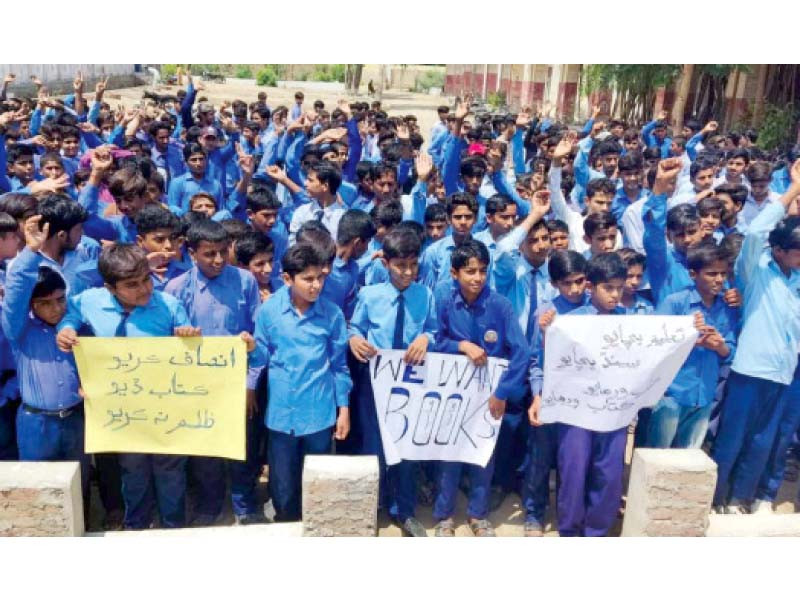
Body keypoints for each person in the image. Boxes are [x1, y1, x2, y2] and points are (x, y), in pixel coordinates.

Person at [55, 244, 201, 530]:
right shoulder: (87, 301)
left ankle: (173, 526)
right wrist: (67, 328)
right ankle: (136, 525)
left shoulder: (169, 306)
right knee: (132, 471)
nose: (144, 289)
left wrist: (187, 335)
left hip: (165, 408)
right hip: (122, 410)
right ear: (110, 288)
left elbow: (191, 355)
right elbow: (70, 315)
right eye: (132, 285)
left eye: (146, 279)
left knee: (170, 470)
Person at [711, 159, 800, 514]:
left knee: (763, 441)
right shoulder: (757, 269)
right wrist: (794, 188)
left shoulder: (796, 280)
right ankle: (716, 497)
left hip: (782, 372)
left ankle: (739, 498)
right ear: (778, 250)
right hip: (751, 370)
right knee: (732, 438)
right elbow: (756, 231)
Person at [432, 239, 531, 537]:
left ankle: (477, 514)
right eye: (470, 272)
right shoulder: (443, 300)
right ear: (454, 273)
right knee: (449, 455)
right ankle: (444, 515)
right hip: (453, 393)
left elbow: (521, 352)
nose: (477, 278)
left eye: (482, 272)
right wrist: (461, 345)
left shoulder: (499, 305)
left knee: (483, 455)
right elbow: (434, 340)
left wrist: (502, 393)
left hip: (490, 395)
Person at [164, 219, 260, 526]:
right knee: (206, 449)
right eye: (209, 254)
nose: (218, 260)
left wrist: (250, 385)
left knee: (243, 446)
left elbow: (258, 336)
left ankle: (245, 505)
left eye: (223, 251)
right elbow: (168, 343)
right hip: (198, 385)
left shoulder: (245, 281)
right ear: (191, 253)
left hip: (237, 381)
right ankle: (209, 504)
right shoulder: (176, 288)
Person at [531, 252, 630, 537]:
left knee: (609, 474)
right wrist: (547, 334)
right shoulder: (569, 321)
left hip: (614, 411)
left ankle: (597, 531)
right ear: (591, 287)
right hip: (575, 411)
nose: (614, 295)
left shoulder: (629, 320)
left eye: (619, 289)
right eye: (607, 288)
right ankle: (570, 531)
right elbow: (545, 361)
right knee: (573, 472)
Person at [252, 244, 351, 522]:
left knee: (318, 478)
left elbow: (340, 367)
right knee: (282, 482)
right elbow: (260, 357)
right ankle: (286, 519)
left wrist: (343, 410)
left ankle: (315, 523)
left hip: (319, 414)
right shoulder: (269, 311)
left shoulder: (332, 315)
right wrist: (249, 348)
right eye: (308, 279)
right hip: (282, 414)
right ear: (287, 279)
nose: (316, 285)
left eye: (320, 277)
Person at [348, 228, 437, 537]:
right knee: (372, 445)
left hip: (411, 384)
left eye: (414, 264)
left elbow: (435, 329)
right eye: (401, 265)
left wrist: (426, 338)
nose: (408, 272)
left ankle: (405, 510)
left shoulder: (425, 295)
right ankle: (370, 506)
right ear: (385, 263)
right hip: (374, 383)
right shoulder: (369, 295)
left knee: (406, 448)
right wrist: (355, 339)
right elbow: (354, 326)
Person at [1, 216, 87, 507]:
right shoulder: (19, 330)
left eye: (59, 300)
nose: (55, 308)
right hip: (35, 423)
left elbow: (74, 308)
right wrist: (29, 253)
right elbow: (14, 295)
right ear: (31, 305)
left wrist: (70, 323)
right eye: (44, 303)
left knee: (79, 488)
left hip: (75, 419)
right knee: (39, 493)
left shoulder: (72, 323)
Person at [522, 249, 588, 536]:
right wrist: (537, 395)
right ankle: (534, 515)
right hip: (550, 395)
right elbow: (536, 360)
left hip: (584, 400)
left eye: (580, 281)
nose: (575, 289)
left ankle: (568, 515)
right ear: (555, 283)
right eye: (567, 283)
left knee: (572, 463)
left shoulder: (595, 311)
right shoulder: (547, 313)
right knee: (540, 459)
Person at [648, 242, 738, 449]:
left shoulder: (726, 307)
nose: (719, 279)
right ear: (693, 274)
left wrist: (718, 346)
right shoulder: (675, 303)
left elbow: (730, 352)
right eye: (711, 273)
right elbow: (655, 344)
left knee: (689, 458)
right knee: (658, 454)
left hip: (704, 394)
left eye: (723, 274)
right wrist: (691, 338)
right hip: (672, 392)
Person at [235, 231, 275, 303]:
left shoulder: (283, 287)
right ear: (242, 266)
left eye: (270, 261)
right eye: (260, 264)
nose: (269, 269)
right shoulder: (236, 295)